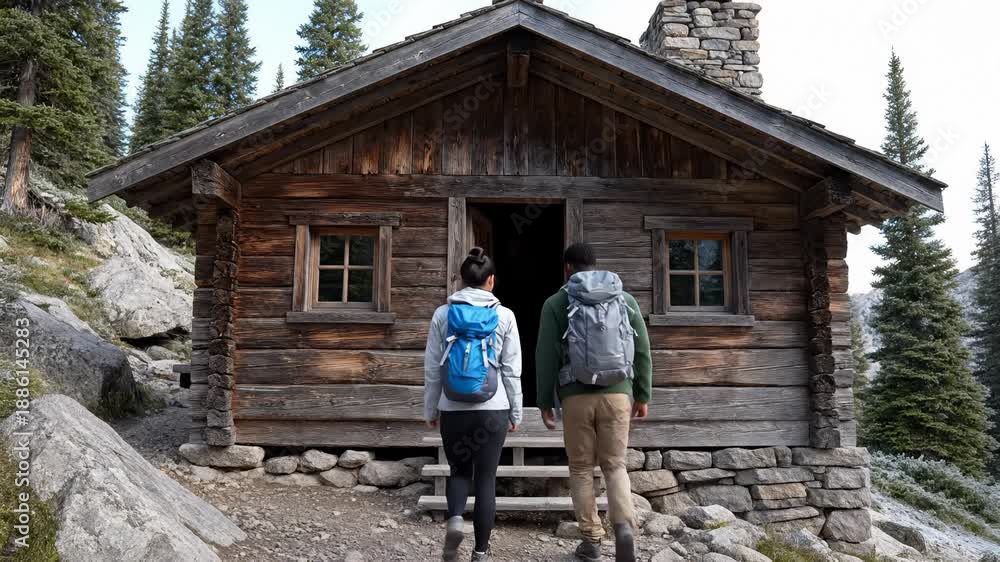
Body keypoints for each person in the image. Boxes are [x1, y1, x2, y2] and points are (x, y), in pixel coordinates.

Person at [536, 242, 652, 562]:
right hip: (618, 393)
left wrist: (544, 401)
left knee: (581, 468)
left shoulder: (555, 303)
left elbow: (545, 356)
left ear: (567, 268)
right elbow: (642, 349)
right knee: (615, 464)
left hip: (575, 397)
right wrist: (642, 394)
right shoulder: (623, 299)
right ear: (595, 265)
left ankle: (591, 540)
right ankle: (624, 529)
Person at [424, 247, 523, 562]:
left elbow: (432, 368)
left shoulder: (443, 314)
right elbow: (512, 369)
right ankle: (480, 553)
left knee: (458, 472)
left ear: (461, 279)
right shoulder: (505, 316)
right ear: (491, 280)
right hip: (493, 409)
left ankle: (455, 519)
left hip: (453, 407)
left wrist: (430, 408)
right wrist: (516, 411)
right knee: (486, 478)